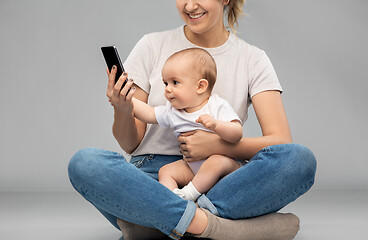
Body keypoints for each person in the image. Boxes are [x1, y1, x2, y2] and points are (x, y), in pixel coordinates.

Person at [68, 0, 317, 240]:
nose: (189, 6)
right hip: (154, 182)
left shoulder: (252, 59)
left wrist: (217, 146)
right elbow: (130, 143)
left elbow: (280, 142)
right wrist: (122, 109)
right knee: (85, 164)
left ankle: (159, 224)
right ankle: (211, 226)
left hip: (223, 182)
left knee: (299, 160)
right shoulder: (151, 45)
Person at [129, 47, 244, 202]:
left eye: (175, 82)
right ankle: (174, 204)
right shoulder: (173, 112)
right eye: (165, 83)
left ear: (200, 86)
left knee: (215, 161)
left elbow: (237, 133)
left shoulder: (216, 105)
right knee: (166, 171)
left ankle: (189, 195)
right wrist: (126, 100)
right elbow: (148, 113)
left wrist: (216, 125)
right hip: (194, 170)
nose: (167, 89)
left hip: (226, 169)